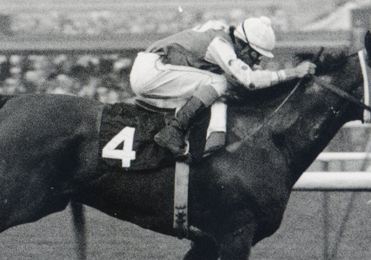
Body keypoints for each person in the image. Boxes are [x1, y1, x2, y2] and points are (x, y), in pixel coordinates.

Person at [129, 15, 314, 157]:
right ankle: (174, 130)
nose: (258, 60)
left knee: (218, 88)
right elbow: (249, 80)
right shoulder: (220, 44)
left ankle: (213, 142)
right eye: (256, 54)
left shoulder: (227, 36)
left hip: (156, 69)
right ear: (243, 46)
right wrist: (294, 72)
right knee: (218, 82)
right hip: (150, 72)